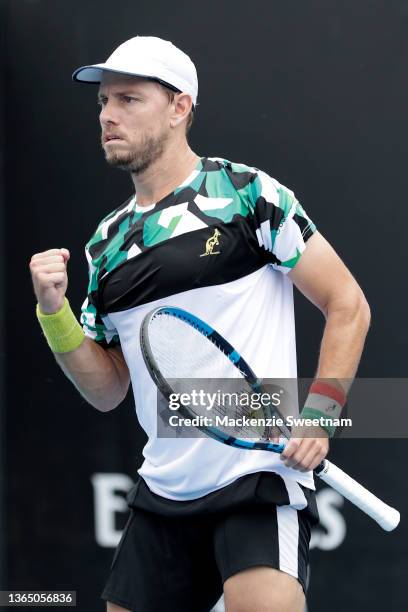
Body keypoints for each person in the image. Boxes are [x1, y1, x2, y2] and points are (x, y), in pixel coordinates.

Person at [29, 36, 371, 612]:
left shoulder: (249, 196)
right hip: (162, 493)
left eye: (129, 99)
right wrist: (53, 312)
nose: (109, 115)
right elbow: (108, 389)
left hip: (257, 481)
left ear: (179, 107)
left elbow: (348, 303)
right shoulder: (105, 244)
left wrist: (321, 412)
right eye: (103, 103)